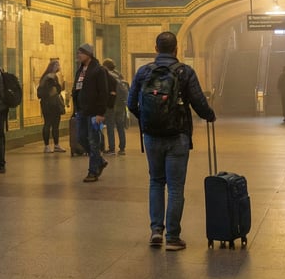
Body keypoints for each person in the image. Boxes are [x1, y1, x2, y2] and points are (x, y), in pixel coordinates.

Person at [127, 31, 215, 252]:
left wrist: (147, 121)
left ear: (155, 49)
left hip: (151, 137)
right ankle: (173, 238)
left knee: (156, 181)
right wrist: (210, 115)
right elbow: (198, 103)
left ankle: (156, 230)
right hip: (178, 136)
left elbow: (130, 104)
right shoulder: (185, 72)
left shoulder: (143, 72)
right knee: (175, 187)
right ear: (176, 49)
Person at [73, 44, 109, 182]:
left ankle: (93, 172)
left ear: (89, 54)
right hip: (82, 111)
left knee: (93, 141)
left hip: (94, 112)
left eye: (81, 53)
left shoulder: (98, 70)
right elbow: (76, 89)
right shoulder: (80, 71)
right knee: (81, 138)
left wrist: (100, 113)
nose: (79, 56)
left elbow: (103, 92)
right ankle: (99, 160)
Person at [37, 59, 66, 153]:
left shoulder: (45, 77)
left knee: (50, 124)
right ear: (52, 66)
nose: (58, 67)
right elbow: (56, 90)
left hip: (47, 104)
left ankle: (50, 146)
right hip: (51, 104)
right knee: (52, 125)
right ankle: (51, 145)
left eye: (58, 65)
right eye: (56, 65)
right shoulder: (50, 77)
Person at [102, 58, 128, 155]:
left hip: (111, 104)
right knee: (120, 126)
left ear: (105, 67)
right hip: (121, 104)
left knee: (110, 127)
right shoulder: (119, 75)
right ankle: (122, 148)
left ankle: (112, 148)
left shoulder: (107, 76)